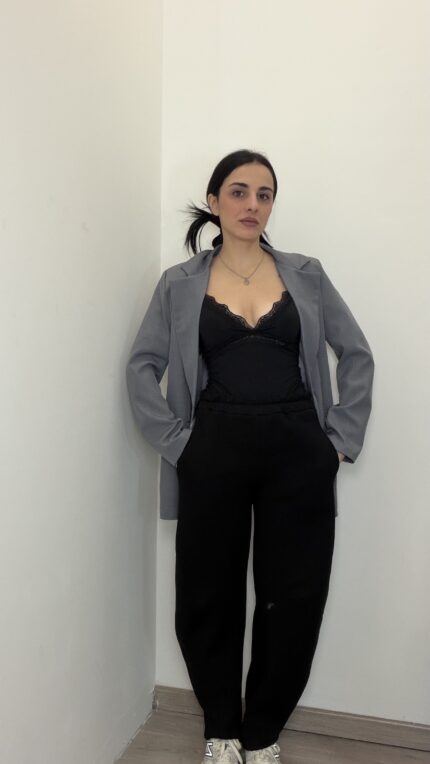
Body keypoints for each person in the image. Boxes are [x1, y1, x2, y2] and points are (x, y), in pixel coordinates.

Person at [126, 149, 375, 764]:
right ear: (214, 202)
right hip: (213, 450)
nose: (252, 205)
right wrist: (179, 444)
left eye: (264, 194)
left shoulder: (306, 274)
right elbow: (142, 366)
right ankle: (221, 729)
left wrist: (339, 439)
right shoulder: (179, 283)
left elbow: (356, 353)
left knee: (295, 593)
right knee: (206, 592)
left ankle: (262, 732)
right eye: (239, 192)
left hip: (300, 451)